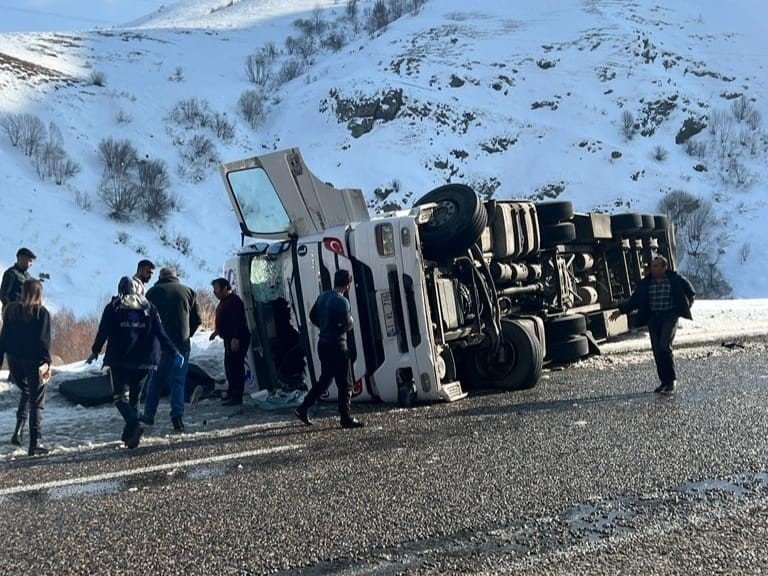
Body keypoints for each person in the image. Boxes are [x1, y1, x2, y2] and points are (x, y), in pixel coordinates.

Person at [88, 276, 182, 449]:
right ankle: (131, 438)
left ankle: (134, 424)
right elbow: (160, 332)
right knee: (134, 399)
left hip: (120, 359)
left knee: (119, 398)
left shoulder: (114, 307)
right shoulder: (149, 307)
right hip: (145, 361)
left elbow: (103, 331)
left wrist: (95, 350)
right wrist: (174, 351)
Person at [609, 255, 695, 394]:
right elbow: (634, 300)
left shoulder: (674, 279)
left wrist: (685, 307)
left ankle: (671, 381)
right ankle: (664, 382)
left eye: (656, 266)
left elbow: (690, 292)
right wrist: (620, 310)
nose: (653, 269)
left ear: (664, 267)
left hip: (669, 316)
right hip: (654, 318)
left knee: (664, 346)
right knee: (657, 351)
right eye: (652, 266)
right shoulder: (646, 283)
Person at [295, 269, 364, 429]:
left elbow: (312, 316)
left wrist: (325, 327)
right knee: (345, 383)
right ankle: (345, 418)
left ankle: (302, 408)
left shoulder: (323, 296)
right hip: (338, 345)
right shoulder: (342, 301)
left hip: (323, 344)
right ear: (348, 284)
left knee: (325, 379)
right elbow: (347, 324)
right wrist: (348, 323)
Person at [143, 267, 203, 432]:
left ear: (161, 278)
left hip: (159, 347)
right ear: (176, 277)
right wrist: (187, 334)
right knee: (178, 381)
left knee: (155, 382)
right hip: (181, 346)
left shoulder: (152, 293)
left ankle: (149, 415)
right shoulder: (188, 292)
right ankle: (177, 416)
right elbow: (198, 319)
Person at [0, 279, 52, 456]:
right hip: (33, 361)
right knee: (36, 400)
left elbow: (3, 338)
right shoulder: (41, 313)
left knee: (27, 392)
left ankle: (19, 430)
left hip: (14, 360)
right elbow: (43, 341)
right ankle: (35, 441)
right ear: (39, 293)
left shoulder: (11, 310)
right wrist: (48, 362)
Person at [210, 277, 250, 406]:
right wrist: (217, 331)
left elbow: (239, 321)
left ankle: (237, 395)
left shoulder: (234, 301)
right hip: (228, 337)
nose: (214, 292)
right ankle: (232, 392)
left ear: (225, 288)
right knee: (229, 366)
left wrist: (236, 338)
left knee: (236, 367)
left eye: (216, 289)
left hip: (236, 338)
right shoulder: (224, 301)